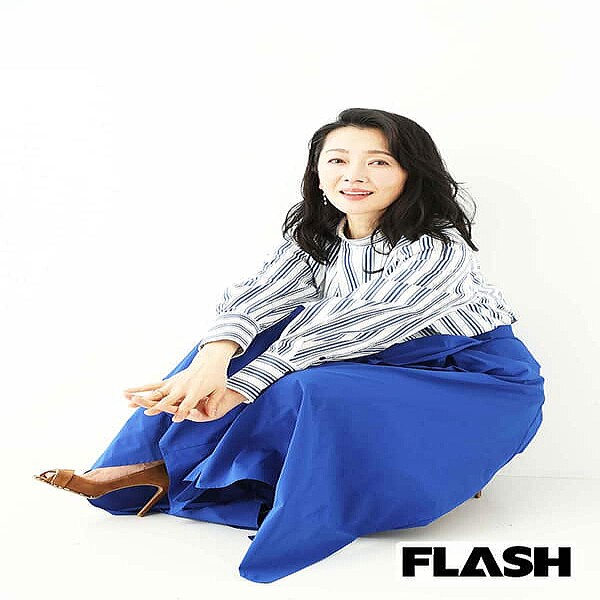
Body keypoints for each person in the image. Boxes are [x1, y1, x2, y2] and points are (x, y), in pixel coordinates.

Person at [34, 107, 545, 584]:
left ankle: (224, 479)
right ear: (317, 173)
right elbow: (256, 299)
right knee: (237, 345)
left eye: (378, 162)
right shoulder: (319, 238)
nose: (354, 176)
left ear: (411, 174)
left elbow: (352, 325)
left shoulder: (436, 246)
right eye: (338, 161)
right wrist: (212, 360)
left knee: (306, 384)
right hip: (369, 359)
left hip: (467, 380)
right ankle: (147, 468)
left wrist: (241, 388)